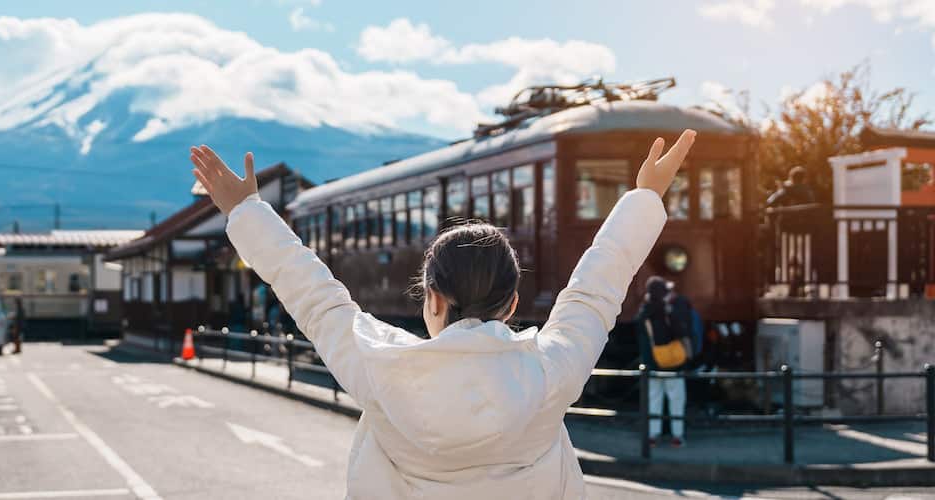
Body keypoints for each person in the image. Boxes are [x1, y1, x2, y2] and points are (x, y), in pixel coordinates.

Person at [188, 129, 695, 499]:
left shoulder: (380, 368)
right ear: (514, 304)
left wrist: (247, 211)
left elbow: (315, 297)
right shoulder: (550, 372)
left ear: (430, 298)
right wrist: (644, 198)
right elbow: (595, 290)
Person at [635, 276, 695, 448]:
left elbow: (640, 332)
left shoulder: (644, 311)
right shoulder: (669, 310)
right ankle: (677, 436)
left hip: (651, 364)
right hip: (673, 363)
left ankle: (653, 435)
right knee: (676, 399)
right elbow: (680, 332)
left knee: (654, 399)